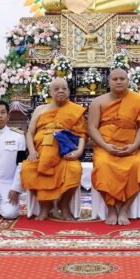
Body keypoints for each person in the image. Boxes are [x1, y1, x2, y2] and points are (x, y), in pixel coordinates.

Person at [89, 67, 140, 225]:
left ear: (128, 80)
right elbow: (91, 127)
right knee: (102, 166)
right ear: (109, 81)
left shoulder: (139, 100)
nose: (118, 82)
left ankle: (124, 209)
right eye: (115, 79)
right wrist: (105, 146)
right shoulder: (98, 102)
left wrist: (134, 145)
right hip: (105, 147)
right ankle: (111, 209)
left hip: (130, 147)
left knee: (139, 165)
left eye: (122, 79)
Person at [21, 78, 86, 220]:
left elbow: (81, 134)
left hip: (64, 151)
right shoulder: (40, 109)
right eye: (56, 89)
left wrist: (79, 151)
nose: (60, 91)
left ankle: (64, 205)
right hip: (41, 151)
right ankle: (45, 206)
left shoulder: (75, 110)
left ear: (68, 91)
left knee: (74, 170)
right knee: (28, 170)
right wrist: (32, 151)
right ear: (50, 92)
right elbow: (30, 132)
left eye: (64, 88)